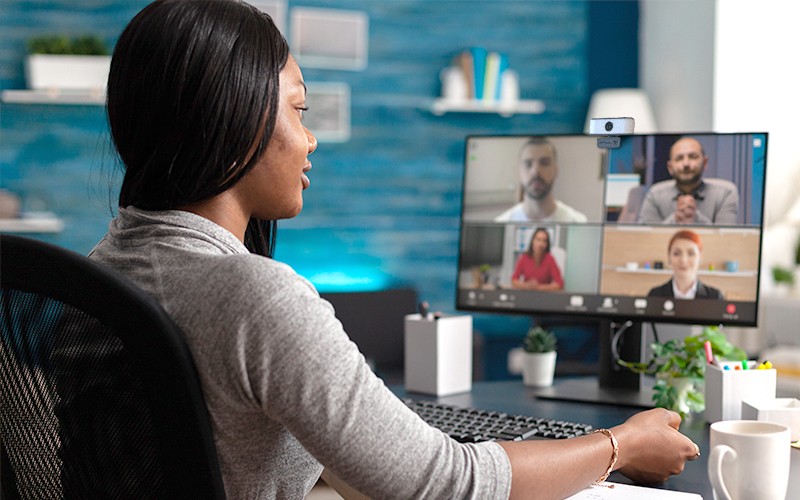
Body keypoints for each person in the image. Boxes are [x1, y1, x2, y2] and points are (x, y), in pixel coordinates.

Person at [90, 1, 700, 498]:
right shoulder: (255, 298)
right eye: (300, 110)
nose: (311, 139)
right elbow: (446, 483)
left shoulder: (98, 273)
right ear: (235, 121)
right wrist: (622, 444)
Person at [637, 137, 739, 224]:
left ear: (705, 162)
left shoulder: (725, 193)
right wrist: (675, 219)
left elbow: (726, 240)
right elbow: (645, 238)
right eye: (679, 158)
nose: (686, 163)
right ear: (670, 167)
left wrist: (696, 218)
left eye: (693, 157)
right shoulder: (655, 194)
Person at [494, 137, 588, 223]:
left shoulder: (577, 221)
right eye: (528, 164)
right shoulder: (502, 223)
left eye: (544, 163)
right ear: (519, 172)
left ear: (556, 170)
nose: (535, 171)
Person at [648, 230, 723, 299]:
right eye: (676, 253)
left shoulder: (715, 297)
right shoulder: (655, 295)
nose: (683, 260)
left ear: (700, 258)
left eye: (691, 254)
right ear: (669, 258)